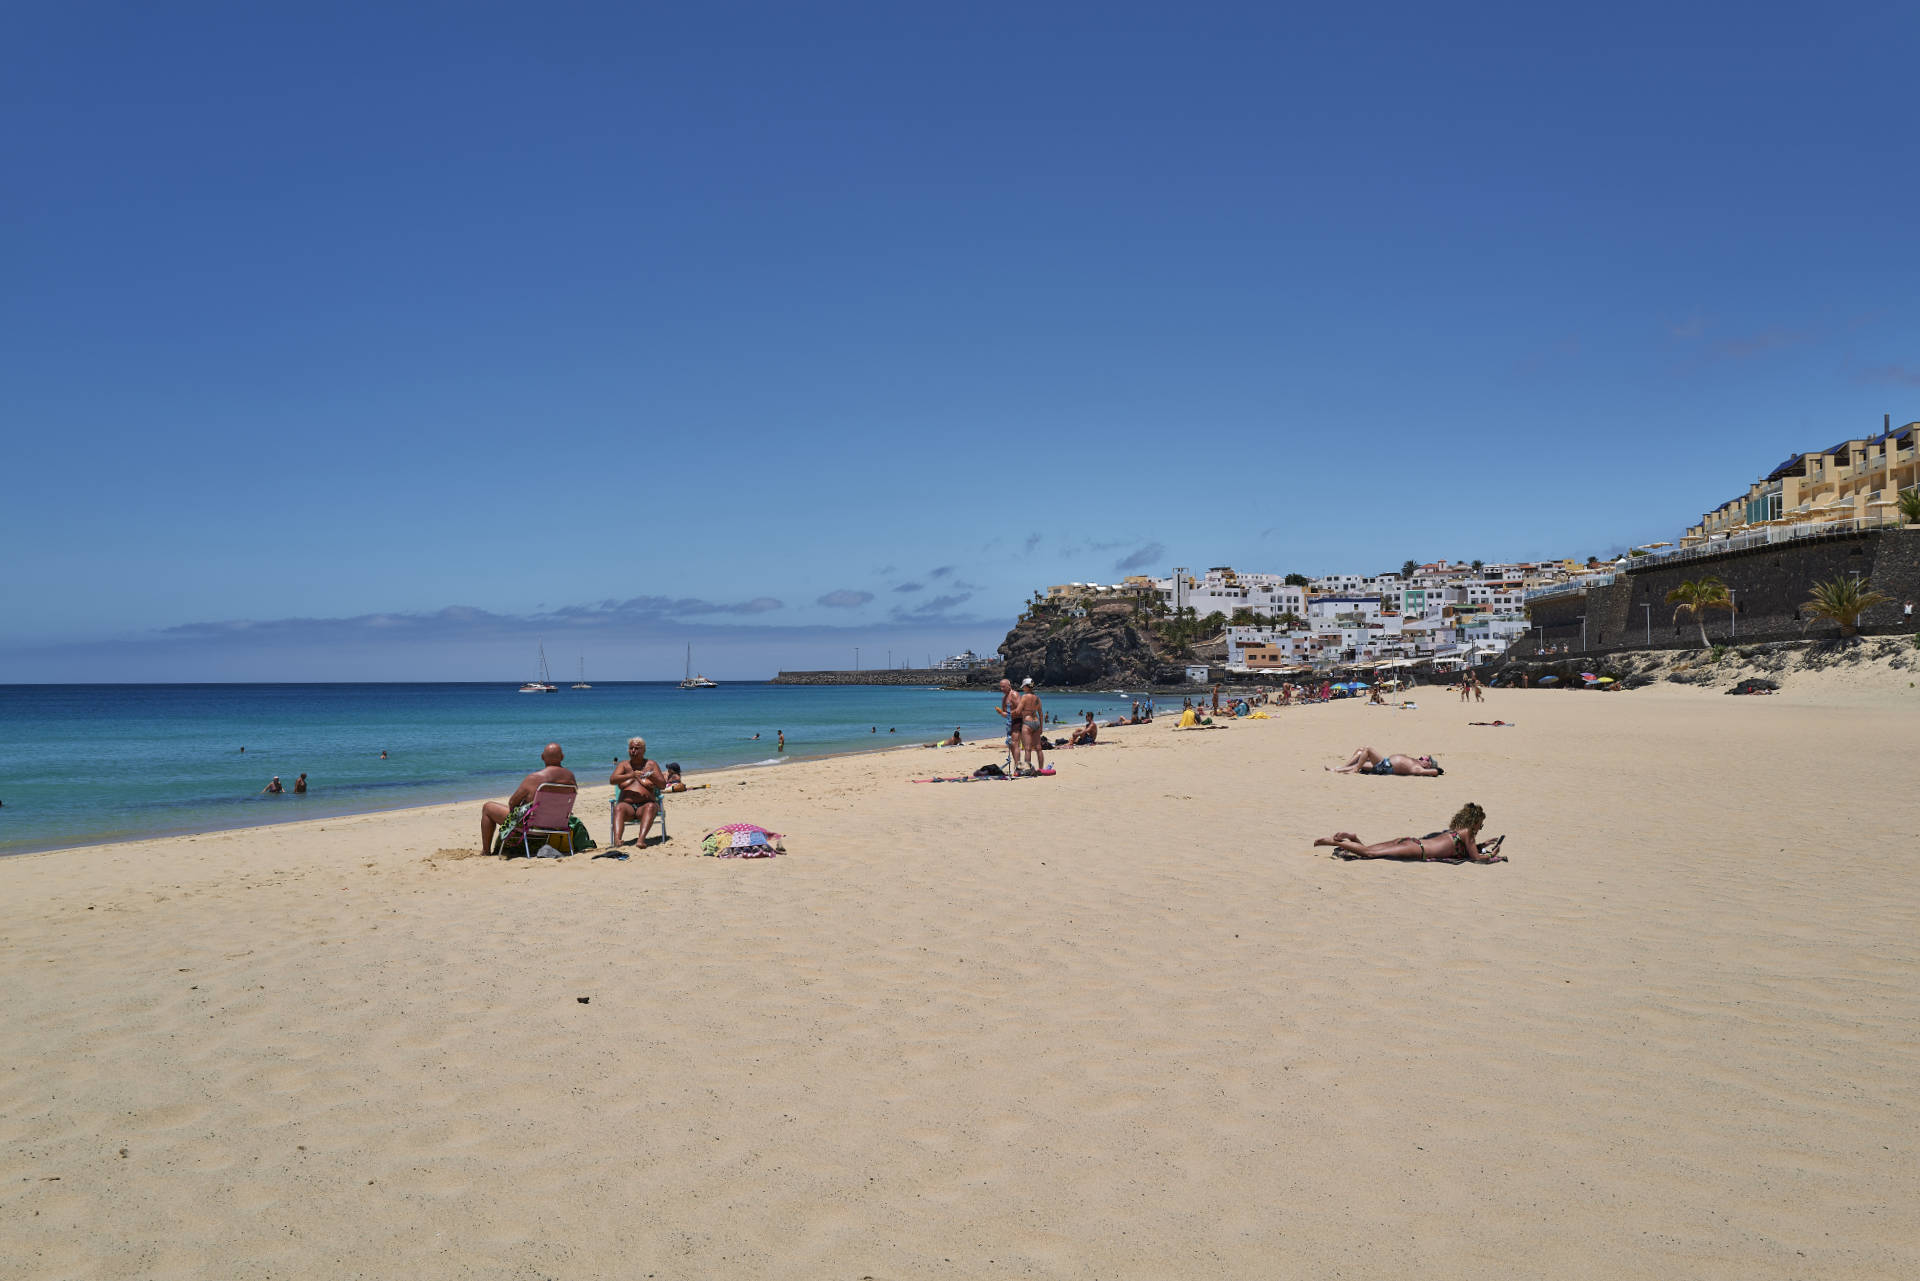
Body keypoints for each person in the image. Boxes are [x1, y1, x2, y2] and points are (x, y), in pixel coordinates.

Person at [1313, 803, 1503, 862]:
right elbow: (1476, 857)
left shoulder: (1458, 831)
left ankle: (1353, 838)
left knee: (1370, 851)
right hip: (1418, 850)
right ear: (1475, 822)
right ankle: (1334, 842)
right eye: (1481, 824)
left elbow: (1466, 848)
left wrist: (1483, 844)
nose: (1480, 828)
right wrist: (1491, 854)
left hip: (1412, 841)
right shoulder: (1468, 833)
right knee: (1369, 854)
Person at [480, 743, 578, 854]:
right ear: (562, 757)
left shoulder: (534, 778)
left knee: (488, 807)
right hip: (558, 825)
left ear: (542, 757)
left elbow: (512, 803)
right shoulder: (570, 778)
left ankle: (486, 851)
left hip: (533, 825)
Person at [609, 737, 669, 848]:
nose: (633, 751)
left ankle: (641, 840)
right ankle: (617, 840)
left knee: (651, 806)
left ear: (644, 750)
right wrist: (631, 775)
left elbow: (662, 785)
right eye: (631, 748)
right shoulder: (624, 765)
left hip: (645, 806)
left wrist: (652, 775)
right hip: (627, 806)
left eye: (637, 748)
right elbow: (612, 780)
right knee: (618, 808)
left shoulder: (651, 764)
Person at [1326, 746, 1443, 776]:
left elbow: (1434, 772)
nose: (1422, 758)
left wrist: (1437, 770)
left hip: (1386, 767)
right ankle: (1338, 769)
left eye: (1425, 759)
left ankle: (1354, 770)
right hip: (1384, 764)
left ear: (1428, 765)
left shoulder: (1418, 768)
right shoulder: (1416, 762)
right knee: (1360, 751)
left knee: (1368, 749)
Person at [1014, 679, 1046, 774]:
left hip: (1027, 723)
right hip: (1036, 723)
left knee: (1027, 749)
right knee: (1038, 748)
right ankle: (1041, 769)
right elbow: (1040, 713)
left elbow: (1018, 711)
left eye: (1024, 686)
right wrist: (1041, 727)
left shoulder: (1024, 697)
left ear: (1027, 687)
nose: (1023, 688)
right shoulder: (1037, 698)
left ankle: (1027, 770)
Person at [996, 678, 1026, 772]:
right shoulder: (1004, 698)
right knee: (1011, 745)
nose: (1002, 689)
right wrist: (1002, 713)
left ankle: (1018, 767)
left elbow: (1020, 710)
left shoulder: (1014, 694)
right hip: (1010, 723)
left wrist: (1007, 714)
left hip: (1019, 720)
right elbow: (1005, 713)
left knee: (1014, 743)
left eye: (1004, 687)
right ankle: (1017, 765)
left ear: (1009, 686)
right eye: (1001, 687)